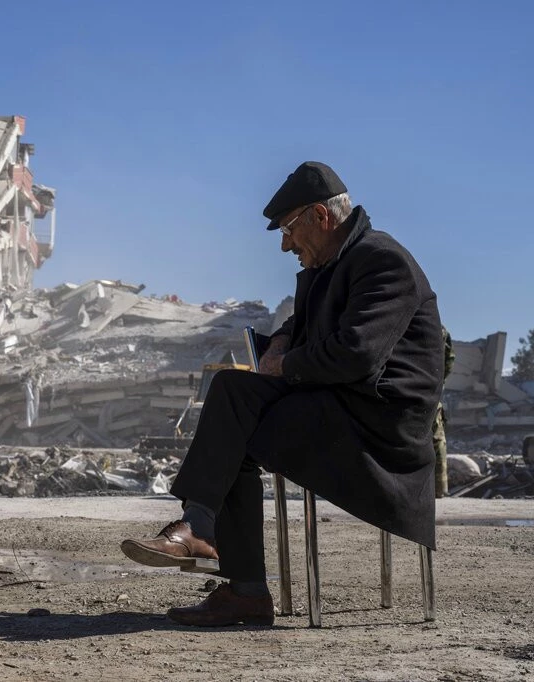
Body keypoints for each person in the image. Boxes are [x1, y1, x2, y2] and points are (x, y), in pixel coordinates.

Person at [121, 161, 445, 627]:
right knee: (233, 396)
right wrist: (278, 344)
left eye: (290, 229)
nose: (285, 243)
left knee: (236, 417)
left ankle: (231, 569)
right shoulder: (332, 264)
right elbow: (304, 325)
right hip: (337, 405)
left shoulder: (382, 261)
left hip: (379, 424)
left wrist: (286, 364)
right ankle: (214, 546)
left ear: (321, 215)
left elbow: (356, 354)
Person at [433, 327, 455, 497]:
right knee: (437, 439)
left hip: (400, 389)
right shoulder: (439, 327)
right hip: (430, 390)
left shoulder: (397, 316)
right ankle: (439, 489)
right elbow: (448, 361)